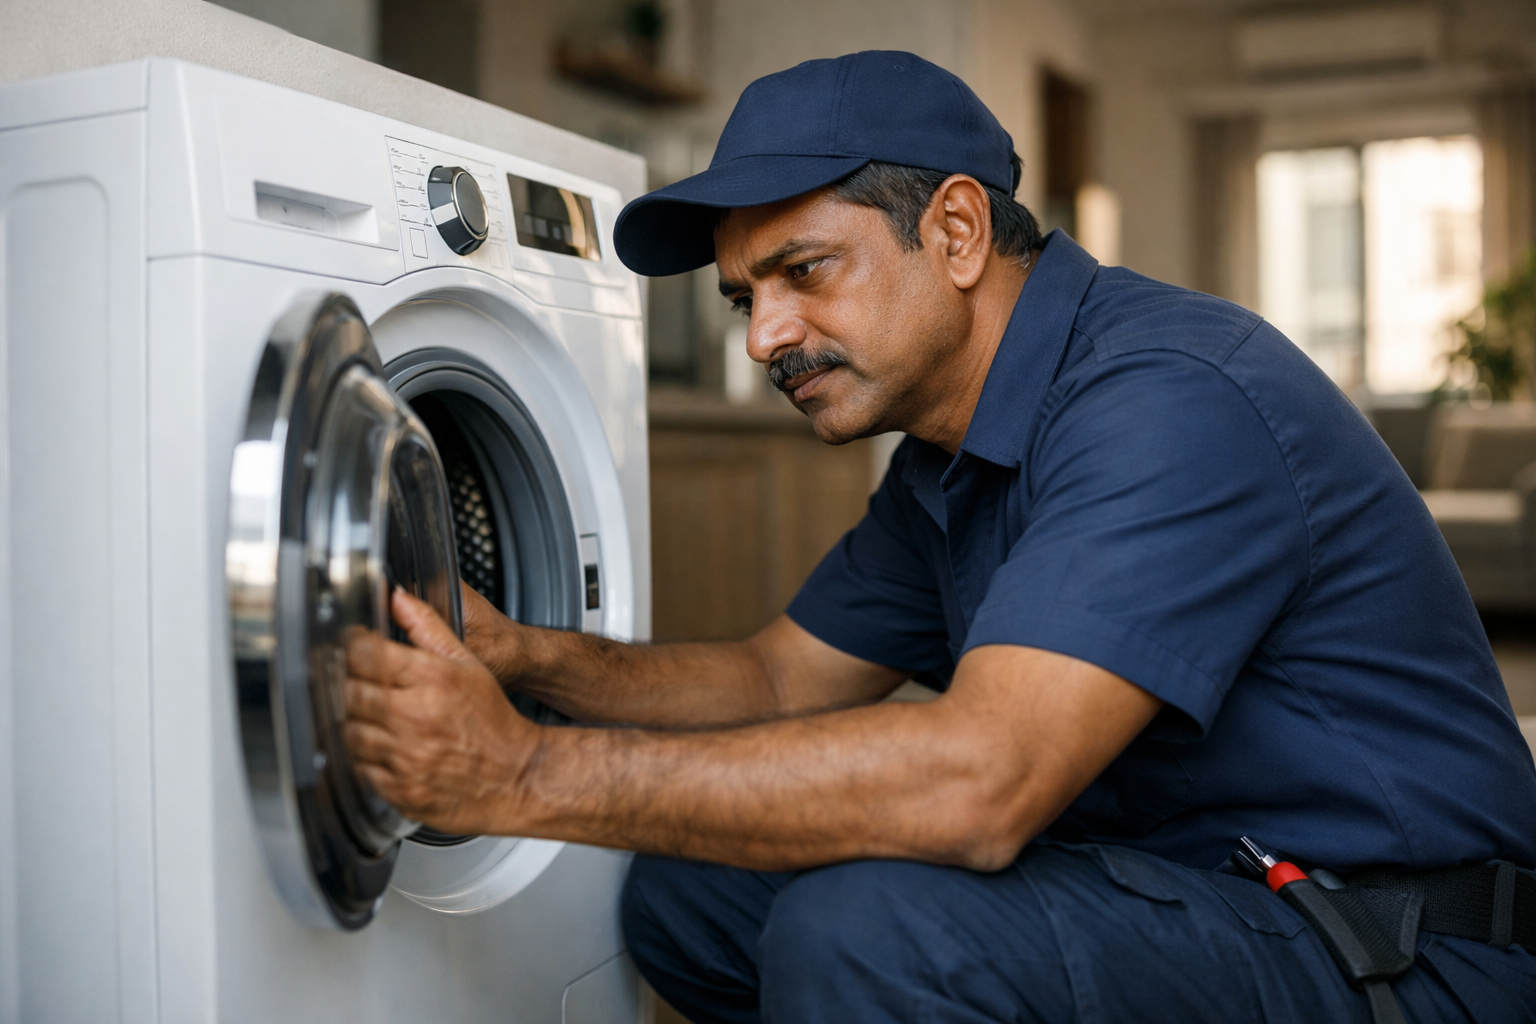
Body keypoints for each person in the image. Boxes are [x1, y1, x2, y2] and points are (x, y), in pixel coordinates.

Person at [343, 51, 1536, 1022]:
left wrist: (520, 771)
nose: (766, 337)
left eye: (804, 271)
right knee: (695, 894)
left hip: (1397, 949)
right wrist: (528, 659)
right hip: (1197, 897)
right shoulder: (945, 458)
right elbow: (772, 678)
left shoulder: (1170, 397)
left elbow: (982, 781)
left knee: (868, 931)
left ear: (958, 233)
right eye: (745, 295)